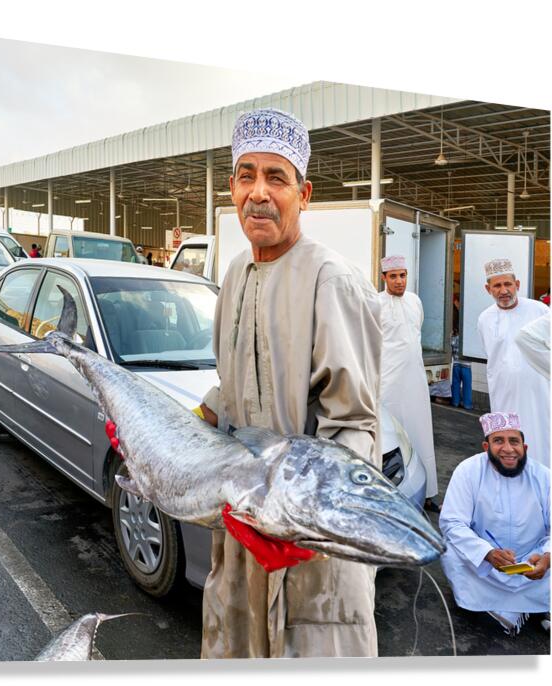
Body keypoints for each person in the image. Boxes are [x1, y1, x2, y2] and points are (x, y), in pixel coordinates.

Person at [197, 108, 383, 658]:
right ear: (231, 188)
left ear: (304, 193)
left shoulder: (333, 279)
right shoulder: (234, 274)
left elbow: (354, 426)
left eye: (276, 178)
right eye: (247, 176)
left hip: (311, 549)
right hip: (242, 530)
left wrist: (300, 521)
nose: (259, 193)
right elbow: (232, 386)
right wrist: (179, 426)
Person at [439, 412, 550, 635]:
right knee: (449, 549)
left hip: (533, 561)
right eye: (498, 441)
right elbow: (452, 522)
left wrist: (547, 557)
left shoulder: (544, 476)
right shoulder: (468, 471)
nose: (508, 449)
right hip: (485, 567)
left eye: (514, 441)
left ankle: (510, 606)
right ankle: (528, 606)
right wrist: (487, 553)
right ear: (485, 446)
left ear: (525, 447)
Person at [378, 254, 440, 511]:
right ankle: (390, 497)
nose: (399, 281)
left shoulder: (415, 301)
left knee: (421, 434)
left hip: (414, 382)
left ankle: (428, 493)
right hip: (387, 383)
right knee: (391, 440)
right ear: (384, 278)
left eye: (402, 275)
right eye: (393, 276)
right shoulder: (375, 304)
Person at [477, 259, 549, 467]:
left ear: (517, 285)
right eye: (497, 286)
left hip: (538, 393)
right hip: (503, 393)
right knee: (507, 445)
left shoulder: (539, 311)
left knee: (540, 439)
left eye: (508, 284)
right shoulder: (485, 318)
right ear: (488, 289)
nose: (504, 290)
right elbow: (491, 354)